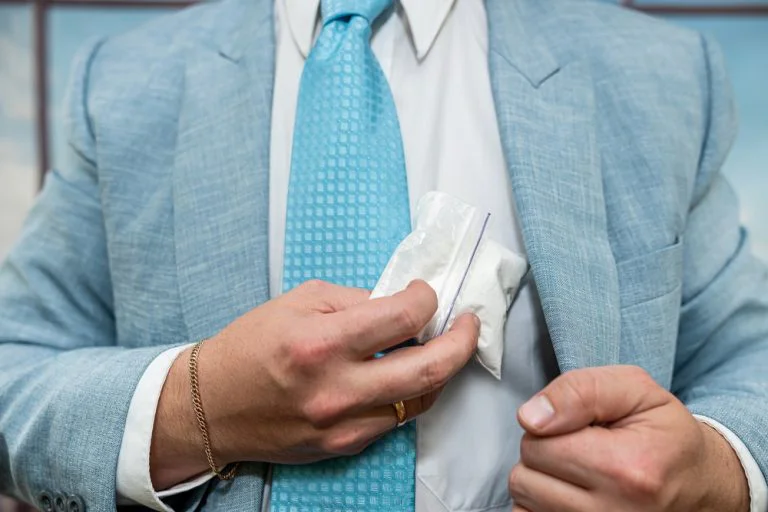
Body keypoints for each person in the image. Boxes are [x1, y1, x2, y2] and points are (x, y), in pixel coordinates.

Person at [0, 0, 766, 510]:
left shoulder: (660, 74)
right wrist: (197, 405)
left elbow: (749, 357)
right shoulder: (124, 83)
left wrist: (717, 471)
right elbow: (14, 367)